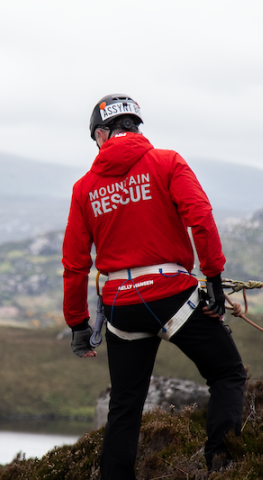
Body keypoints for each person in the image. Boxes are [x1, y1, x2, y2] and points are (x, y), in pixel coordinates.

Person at [62, 94, 247, 478]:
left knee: (125, 406)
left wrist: (78, 324)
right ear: (134, 126)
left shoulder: (84, 188)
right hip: (172, 296)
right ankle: (222, 466)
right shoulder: (168, 162)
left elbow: (75, 264)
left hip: (119, 309)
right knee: (227, 375)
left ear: (100, 133)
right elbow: (200, 217)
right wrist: (213, 278)